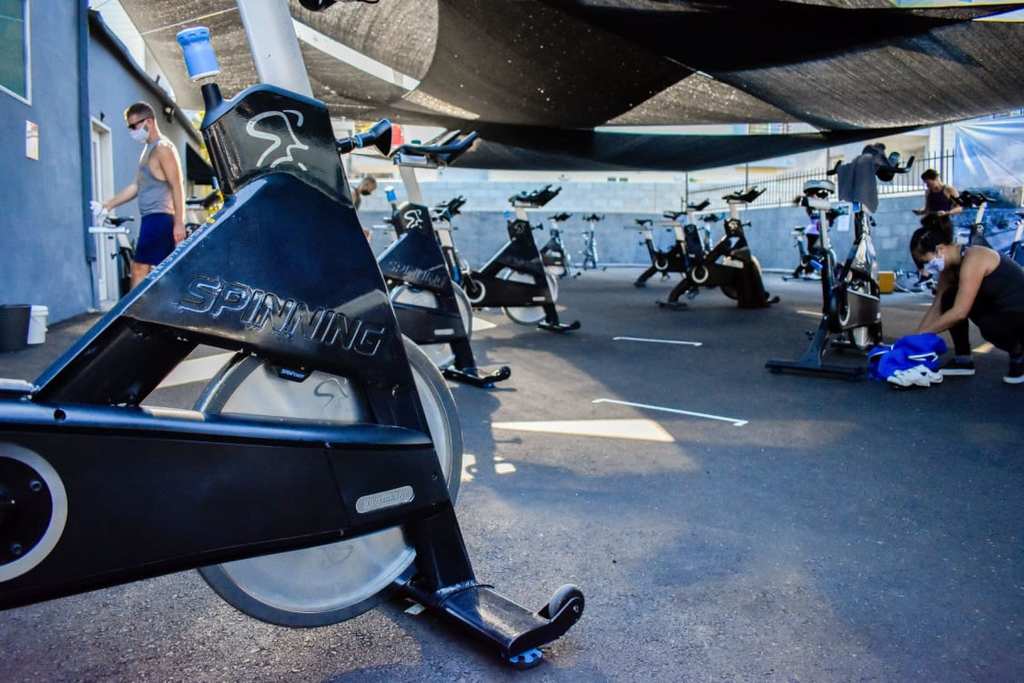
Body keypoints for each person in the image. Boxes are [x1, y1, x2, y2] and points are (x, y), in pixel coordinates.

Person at [911, 223, 1024, 384]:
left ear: (940, 249)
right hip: (1001, 310)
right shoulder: (948, 268)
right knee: (948, 297)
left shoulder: (975, 258)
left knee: (990, 325)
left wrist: (923, 335)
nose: (926, 269)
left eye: (926, 262)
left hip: (1018, 313)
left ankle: (1019, 352)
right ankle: (963, 359)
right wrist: (914, 339)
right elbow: (938, 305)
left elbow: (960, 312)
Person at [98, 102, 185, 287]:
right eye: (129, 127)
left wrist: (179, 223)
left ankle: (134, 307)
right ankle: (143, 306)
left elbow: (177, 185)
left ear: (149, 122)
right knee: (148, 270)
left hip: (160, 218)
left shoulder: (163, 148)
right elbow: (136, 186)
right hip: (150, 219)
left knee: (140, 268)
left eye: (134, 126)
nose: (132, 131)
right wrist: (107, 205)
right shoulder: (148, 150)